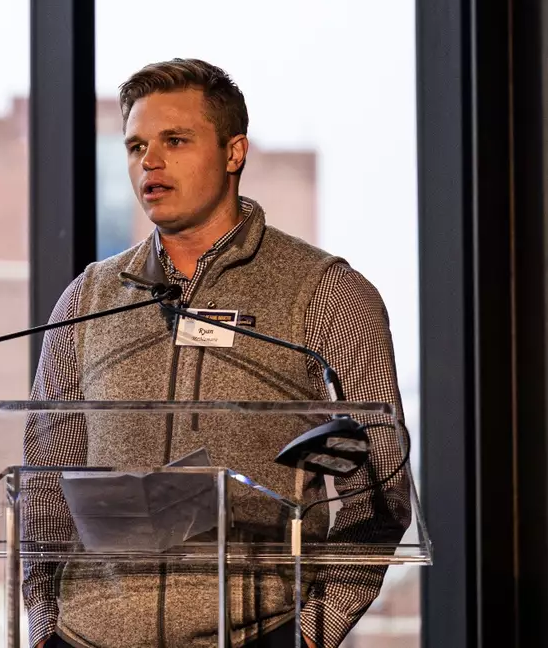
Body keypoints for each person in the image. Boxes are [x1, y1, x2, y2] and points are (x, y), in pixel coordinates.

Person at [24, 59, 412, 648]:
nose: (149, 161)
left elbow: (377, 489)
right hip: (86, 636)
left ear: (235, 153)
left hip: (257, 631)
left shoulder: (326, 292)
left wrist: (311, 635)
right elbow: (45, 484)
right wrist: (45, 625)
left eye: (175, 141)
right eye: (136, 145)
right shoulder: (87, 298)